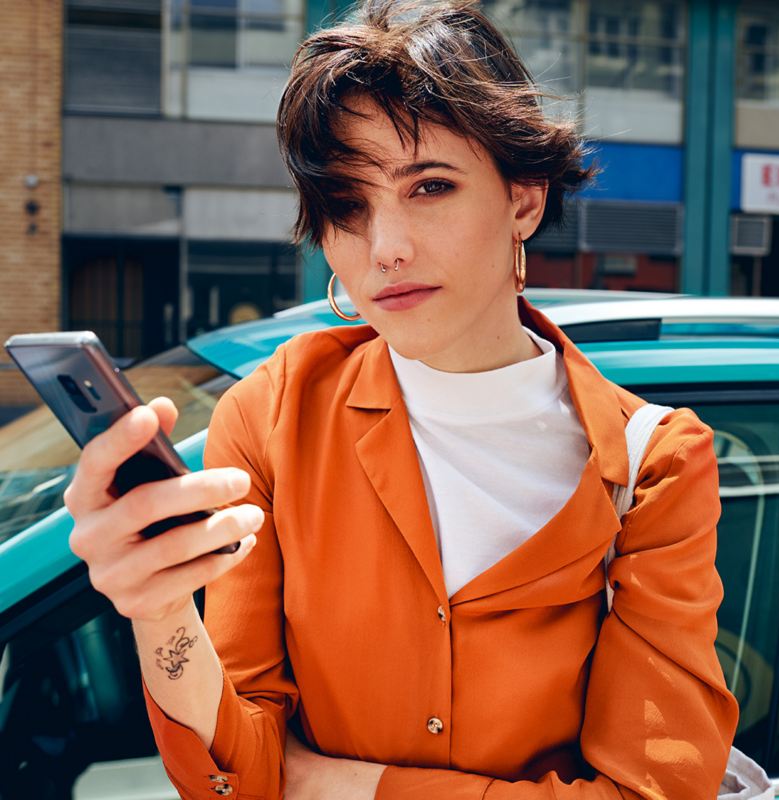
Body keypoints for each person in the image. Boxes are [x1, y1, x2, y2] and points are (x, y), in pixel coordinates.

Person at [65, 1, 739, 798]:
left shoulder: (652, 463)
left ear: (523, 198)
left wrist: (338, 784)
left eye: (430, 186)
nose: (385, 247)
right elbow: (239, 778)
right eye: (347, 207)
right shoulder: (275, 413)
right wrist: (161, 607)